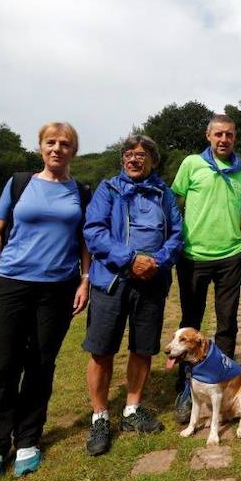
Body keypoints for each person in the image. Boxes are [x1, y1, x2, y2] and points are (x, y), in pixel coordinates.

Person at [0, 122, 90, 481]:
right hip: (11, 284)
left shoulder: (81, 192)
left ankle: (27, 441)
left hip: (57, 289)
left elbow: (85, 241)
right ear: (40, 147)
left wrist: (85, 280)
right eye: (51, 142)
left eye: (65, 144)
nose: (57, 149)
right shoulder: (19, 183)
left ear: (74, 150)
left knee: (40, 365)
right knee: (3, 366)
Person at [82, 135, 183, 456]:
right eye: (128, 154)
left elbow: (178, 234)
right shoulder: (107, 189)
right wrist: (130, 259)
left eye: (141, 155)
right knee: (102, 350)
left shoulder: (164, 192)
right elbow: (94, 231)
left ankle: (131, 410)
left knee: (143, 348)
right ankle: (99, 417)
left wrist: (158, 261)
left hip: (152, 281)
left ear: (152, 160)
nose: (134, 160)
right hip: (111, 280)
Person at [170, 114, 241, 423]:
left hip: (231, 255)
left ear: (235, 137)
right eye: (218, 134)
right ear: (208, 136)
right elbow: (174, 203)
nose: (223, 140)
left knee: (227, 321)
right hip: (193, 256)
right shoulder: (191, 164)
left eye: (229, 135)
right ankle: (186, 386)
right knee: (190, 320)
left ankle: (220, 378)